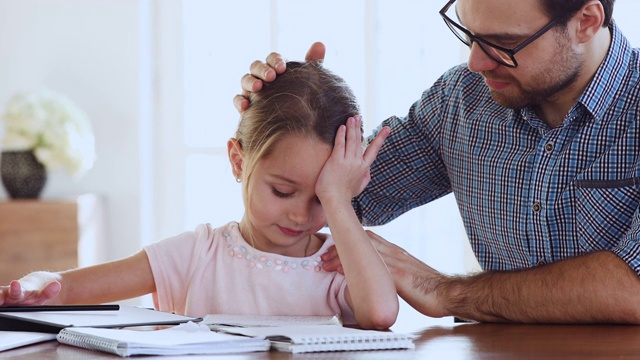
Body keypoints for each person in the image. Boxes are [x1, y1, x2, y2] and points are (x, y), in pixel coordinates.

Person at [234, 0, 640, 324]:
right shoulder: (459, 102)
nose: (476, 62)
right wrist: (296, 111)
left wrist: (446, 292)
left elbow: (634, 289)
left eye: (502, 42)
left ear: (586, 21)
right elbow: (336, 189)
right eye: (469, 33)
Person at [0, 61, 397, 330]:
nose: (299, 216)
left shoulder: (337, 265)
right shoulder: (197, 254)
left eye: (320, 199)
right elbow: (72, 288)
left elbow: (380, 313)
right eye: (282, 191)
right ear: (238, 161)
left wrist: (339, 203)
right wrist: (41, 283)